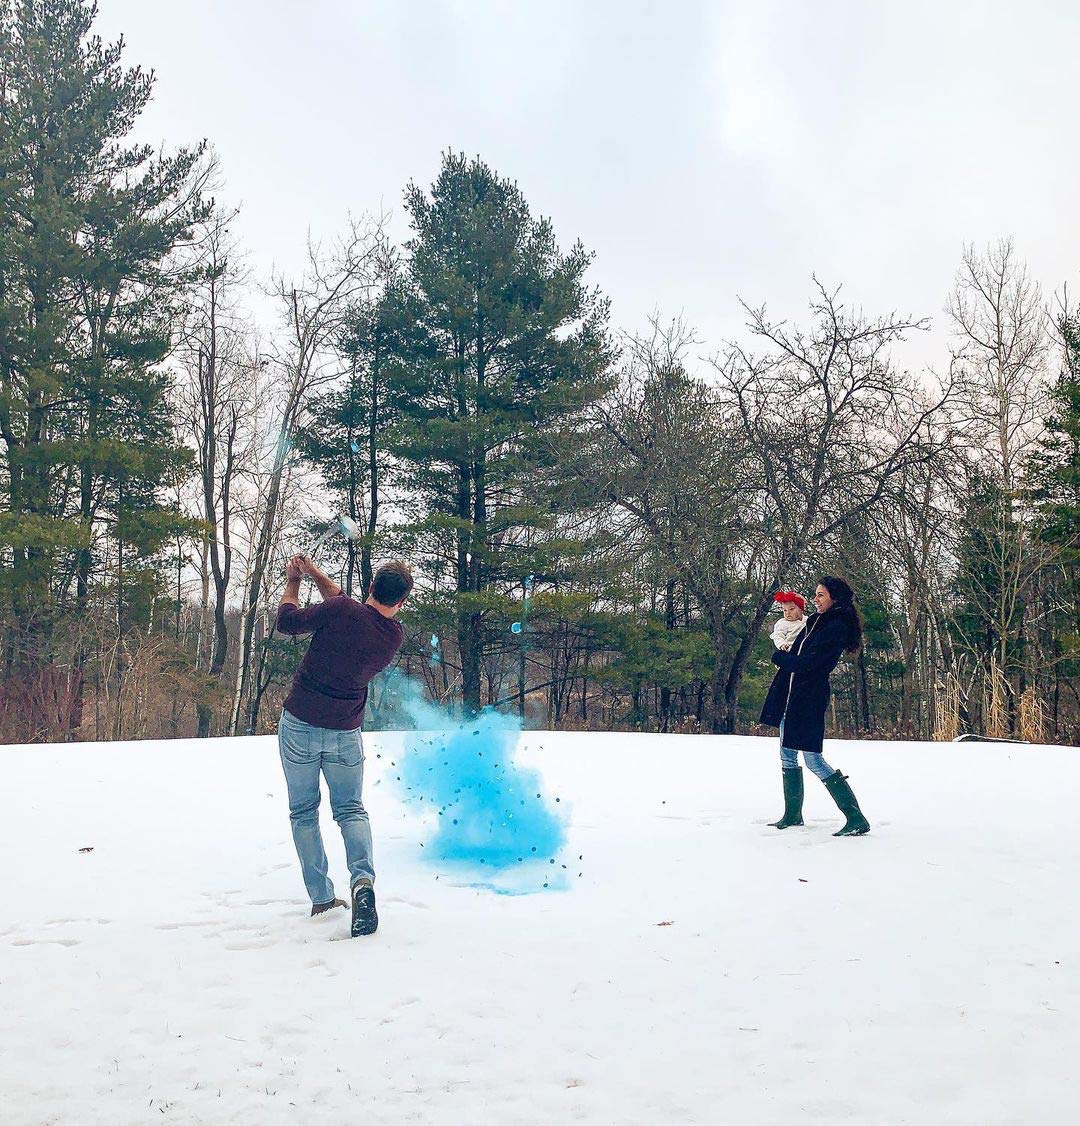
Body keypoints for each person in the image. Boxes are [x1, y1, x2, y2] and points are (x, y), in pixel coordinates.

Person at [276, 555, 412, 936]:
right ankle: (362, 883)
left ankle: (321, 897)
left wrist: (294, 582)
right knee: (350, 810)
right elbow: (345, 605)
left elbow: (287, 621)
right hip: (344, 734)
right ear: (401, 602)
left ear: (370, 587)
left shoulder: (341, 610)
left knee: (304, 812)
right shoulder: (392, 635)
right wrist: (315, 572)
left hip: (300, 724)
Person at [759, 575, 870, 836]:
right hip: (791, 695)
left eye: (820, 594)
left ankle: (856, 818)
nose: (815, 599)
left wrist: (779, 658)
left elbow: (810, 663)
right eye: (815, 594)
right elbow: (798, 655)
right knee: (787, 754)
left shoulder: (835, 627)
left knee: (813, 759)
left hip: (808, 698)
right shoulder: (816, 622)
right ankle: (792, 814)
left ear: (834, 597)